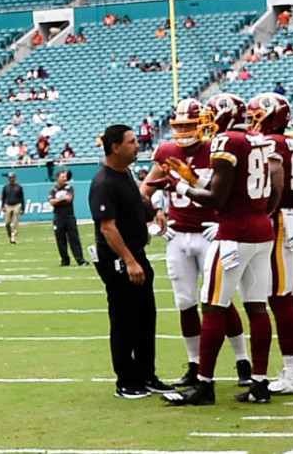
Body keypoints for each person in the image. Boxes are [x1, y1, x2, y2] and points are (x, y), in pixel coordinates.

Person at [160, 93, 283, 405]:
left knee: (213, 305)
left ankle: (204, 384)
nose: (206, 122)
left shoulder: (226, 141)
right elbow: (269, 189)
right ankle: (259, 383)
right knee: (257, 306)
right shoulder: (258, 139)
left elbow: (216, 198)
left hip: (234, 233)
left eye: (209, 115)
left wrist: (182, 186)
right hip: (260, 230)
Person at [140, 99, 253, 389]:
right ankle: (194, 365)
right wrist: (157, 212)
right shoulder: (166, 151)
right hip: (177, 234)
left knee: (219, 300)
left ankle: (242, 360)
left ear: (203, 123)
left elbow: (231, 191)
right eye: (178, 126)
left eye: (189, 125)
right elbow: (147, 187)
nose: (184, 131)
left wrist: (224, 221)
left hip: (210, 233)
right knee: (185, 303)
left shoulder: (217, 147)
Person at [91, 124, 171, 398]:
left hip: (136, 253)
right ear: (115, 147)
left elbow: (137, 201)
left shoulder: (123, 174)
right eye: (132, 142)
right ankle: (125, 380)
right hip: (118, 260)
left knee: (146, 317)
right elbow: (108, 227)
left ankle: (146, 374)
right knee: (124, 319)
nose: (138, 146)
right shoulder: (104, 182)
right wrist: (129, 261)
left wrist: (155, 211)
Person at [245, 93, 293, 393]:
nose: (252, 122)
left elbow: (275, 178)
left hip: (282, 221)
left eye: (257, 116)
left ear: (272, 116)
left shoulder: (271, 144)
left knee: (279, 298)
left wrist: (267, 211)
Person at [49, 170, 86, 266]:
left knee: (74, 239)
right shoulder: (53, 189)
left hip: (69, 217)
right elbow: (51, 201)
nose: (64, 179)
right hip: (58, 218)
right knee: (60, 240)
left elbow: (69, 199)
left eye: (65, 177)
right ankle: (65, 260)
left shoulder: (69, 188)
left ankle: (80, 259)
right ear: (57, 178)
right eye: (62, 177)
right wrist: (61, 200)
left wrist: (58, 201)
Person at [1, 172, 24, 244]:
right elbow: (3, 197)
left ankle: (13, 236)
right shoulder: (6, 187)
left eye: (12, 177)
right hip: (8, 205)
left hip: (16, 205)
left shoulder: (19, 187)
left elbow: (22, 198)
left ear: (14, 178)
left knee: (15, 222)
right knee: (7, 223)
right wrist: (2, 206)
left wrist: (23, 208)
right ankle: (10, 235)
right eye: (9, 178)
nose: (11, 179)